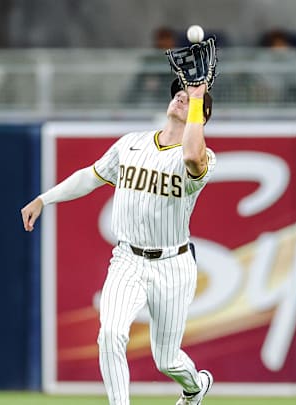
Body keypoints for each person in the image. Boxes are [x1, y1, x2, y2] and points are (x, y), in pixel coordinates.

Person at [21, 78, 215, 405]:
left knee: (166, 360)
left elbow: (193, 158)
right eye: (179, 95)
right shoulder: (131, 144)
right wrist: (44, 198)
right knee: (110, 335)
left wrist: (198, 99)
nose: (182, 98)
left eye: (190, 99)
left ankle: (195, 387)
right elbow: (91, 176)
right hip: (128, 259)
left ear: (202, 116)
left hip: (173, 264)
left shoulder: (204, 156)